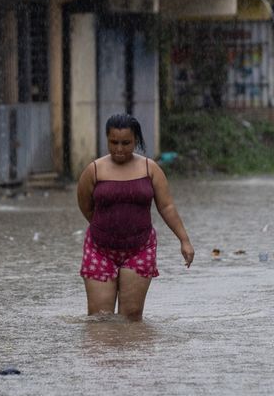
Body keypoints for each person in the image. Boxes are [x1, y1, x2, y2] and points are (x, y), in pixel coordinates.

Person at [76, 113, 194, 321]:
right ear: (107, 139)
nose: (119, 149)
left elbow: (166, 206)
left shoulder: (150, 169)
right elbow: (85, 204)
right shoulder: (94, 170)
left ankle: (132, 355)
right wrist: (106, 226)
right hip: (99, 250)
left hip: (139, 249)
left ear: (136, 141)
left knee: (131, 318)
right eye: (114, 142)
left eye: (126, 143)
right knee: (99, 319)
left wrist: (184, 240)